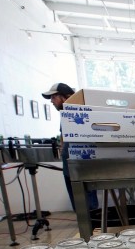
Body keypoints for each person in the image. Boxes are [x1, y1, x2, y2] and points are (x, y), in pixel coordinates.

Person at [42, 82, 99, 212]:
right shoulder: (65, 115)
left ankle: (91, 228)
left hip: (82, 165)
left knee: (88, 206)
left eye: (54, 97)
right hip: (70, 166)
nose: (51, 101)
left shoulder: (82, 112)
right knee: (79, 206)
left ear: (66, 96)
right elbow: (64, 137)